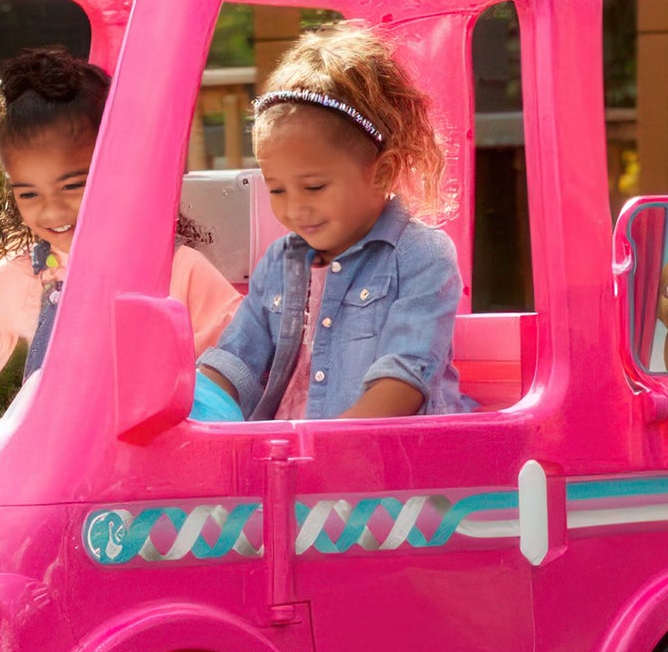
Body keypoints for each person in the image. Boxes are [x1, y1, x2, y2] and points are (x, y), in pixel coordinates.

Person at [0, 46, 239, 400]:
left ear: (122, 170)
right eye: (29, 194)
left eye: (72, 186)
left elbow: (240, 364)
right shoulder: (28, 273)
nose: (52, 212)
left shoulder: (176, 271)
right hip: (58, 469)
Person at [198, 22, 472, 421]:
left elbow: (404, 379)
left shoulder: (420, 256)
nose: (294, 210)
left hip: (392, 463)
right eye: (277, 190)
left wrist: (330, 451)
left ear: (380, 173)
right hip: (287, 457)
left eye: (313, 187)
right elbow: (235, 362)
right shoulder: (280, 262)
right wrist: (191, 410)